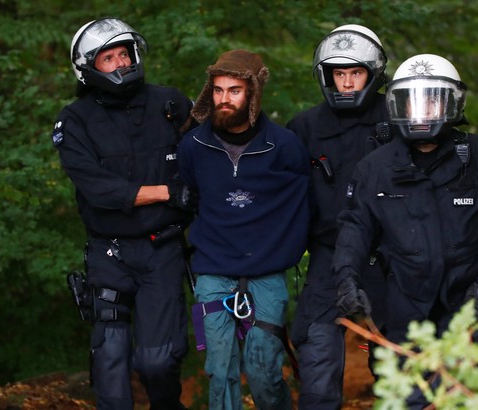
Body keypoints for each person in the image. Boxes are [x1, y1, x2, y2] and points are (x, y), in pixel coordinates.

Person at [333, 54, 478, 408]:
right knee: (408, 399)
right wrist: (346, 278)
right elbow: (354, 227)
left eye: (432, 99)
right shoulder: (375, 168)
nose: (421, 111)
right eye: (411, 100)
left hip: (469, 304)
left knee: (469, 398)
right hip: (404, 306)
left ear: (452, 103)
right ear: (396, 105)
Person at [51, 17, 195, 410]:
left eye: (124, 53)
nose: (120, 63)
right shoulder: (74, 120)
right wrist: (168, 191)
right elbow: (97, 189)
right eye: (107, 58)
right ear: (88, 68)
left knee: (158, 361)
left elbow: (210, 158)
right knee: (111, 367)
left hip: (163, 250)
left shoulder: (171, 104)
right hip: (108, 253)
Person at [177, 49, 310, 409]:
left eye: (234, 90)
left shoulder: (283, 146)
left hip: (267, 271)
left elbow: (304, 204)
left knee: (264, 370)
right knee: (220, 371)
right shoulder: (193, 146)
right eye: (218, 90)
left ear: (252, 94)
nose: (224, 99)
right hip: (212, 271)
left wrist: (287, 251)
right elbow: (188, 200)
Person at [285, 24, 389, 409]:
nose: (346, 83)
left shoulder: (400, 119)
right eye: (338, 74)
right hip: (327, 255)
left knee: (399, 357)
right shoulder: (304, 127)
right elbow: (279, 193)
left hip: (391, 257)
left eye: (355, 73)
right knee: (316, 356)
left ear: (373, 73)